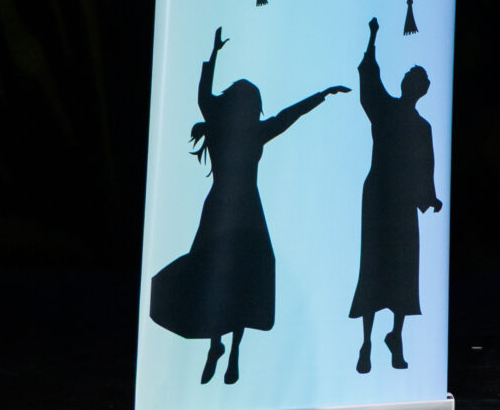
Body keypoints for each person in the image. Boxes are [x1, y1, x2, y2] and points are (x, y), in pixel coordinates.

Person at [148, 27, 349, 384]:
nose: (253, 108)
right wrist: (213, 54)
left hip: (246, 212)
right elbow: (203, 95)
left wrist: (321, 96)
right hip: (223, 211)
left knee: (246, 273)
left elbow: (288, 116)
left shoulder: (255, 131)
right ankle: (216, 345)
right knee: (215, 270)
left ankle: (233, 350)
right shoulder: (225, 126)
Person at [349, 16, 442, 374]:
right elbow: (369, 78)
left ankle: (394, 336)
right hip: (381, 198)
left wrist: (429, 198)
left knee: (402, 269)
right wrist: (372, 38)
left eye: (413, 81)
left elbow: (426, 169)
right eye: (409, 78)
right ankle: (368, 342)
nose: (408, 83)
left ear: (417, 89)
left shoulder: (420, 126)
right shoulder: (389, 111)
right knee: (374, 265)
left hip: (399, 201)